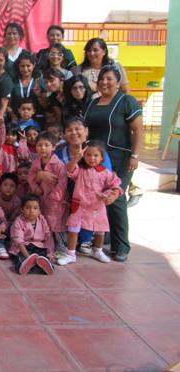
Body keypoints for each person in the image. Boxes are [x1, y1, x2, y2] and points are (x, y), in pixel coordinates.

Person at [84, 65, 142, 262]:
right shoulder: (92, 103)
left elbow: (138, 130)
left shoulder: (127, 101)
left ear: (118, 82)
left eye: (109, 79)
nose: (105, 83)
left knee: (116, 198)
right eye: (102, 79)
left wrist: (135, 155)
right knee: (99, 198)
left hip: (120, 157)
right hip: (96, 159)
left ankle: (121, 246)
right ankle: (105, 236)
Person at [58, 141, 122, 266]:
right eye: (88, 155)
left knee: (100, 230)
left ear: (102, 157)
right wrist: (76, 158)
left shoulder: (105, 172)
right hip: (80, 205)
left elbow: (115, 184)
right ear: (84, 156)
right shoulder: (80, 170)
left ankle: (97, 250)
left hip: (97, 206)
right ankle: (71, 254)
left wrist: (112, 194)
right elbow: (69, 170)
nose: (92, 158)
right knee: (73, 229)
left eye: (95, 155)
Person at [27, 131, 68, 255]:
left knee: (57, 225)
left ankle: (62, 248)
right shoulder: (36, 162)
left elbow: (62, 182)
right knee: (45, 223)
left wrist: (54, 196)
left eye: (46, 145)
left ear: (54, 147)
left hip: (56, 201)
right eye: (40, 145)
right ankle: (47, 246)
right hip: (42, 198)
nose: (42, 148)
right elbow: (31, 177)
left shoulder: (59, 164)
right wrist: (35, 188)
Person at [9, 194, 55, 275]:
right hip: (23, 247)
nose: (32, 211)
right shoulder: (19, 221)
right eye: (28, 208)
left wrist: (50, 253)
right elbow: (19, 241)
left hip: (39, 246)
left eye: (35, 208)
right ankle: (23, 266)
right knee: (20, 258)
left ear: (40, 210)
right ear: (22, 210)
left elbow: (48, 237)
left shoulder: (42, 220)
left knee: (44, 257)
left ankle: (47, 266)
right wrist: (27, 256)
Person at [9, 53, 42, 120]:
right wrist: (13, 116)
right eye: (22, 66)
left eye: (28, 66)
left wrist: (39, 95)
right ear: (18, 66)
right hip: (16, 119)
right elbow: (7, 104)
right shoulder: (13, 82)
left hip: (36, 119)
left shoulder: (39, 81)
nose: (25, 69)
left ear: (34, 65)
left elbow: (45, 104)